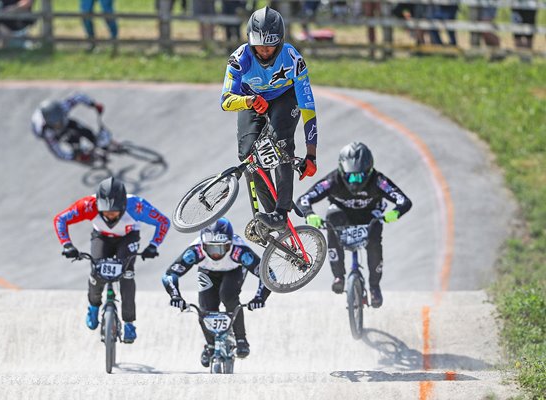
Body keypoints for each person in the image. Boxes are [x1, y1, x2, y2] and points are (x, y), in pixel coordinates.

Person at [220, 6, 319, 231]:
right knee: (249, 156)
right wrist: (249, 101)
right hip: (249, 99)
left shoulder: (293, 59)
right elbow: (225, 100)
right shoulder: (239, 58)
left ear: (281, 41)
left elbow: (308, 108)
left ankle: (281, 213)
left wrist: (311, 154)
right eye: (259, 46)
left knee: (280, 143)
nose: (265, 51)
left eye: (271, 46)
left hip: (285, 97)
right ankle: (269, 214)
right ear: (249, 41)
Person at [54, 177, 170, 343]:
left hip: (128, 238)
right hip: (101, 237)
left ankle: (129, 322)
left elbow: (163, 222)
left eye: (115, 211)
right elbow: (60, 219)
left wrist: (153, 246)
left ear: (123, 205)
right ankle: (94, 306)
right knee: (97, 272)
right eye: (105, 211)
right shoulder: (88, 205)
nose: (109, 215)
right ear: (98, 205)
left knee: (127, 276)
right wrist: (67, 245)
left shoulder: (136, 206)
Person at [296, 142, 412, 308]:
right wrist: (310, 215)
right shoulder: (332, 180)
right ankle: (339, 277)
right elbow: (303, 199)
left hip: (369, 218)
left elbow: (404, 201)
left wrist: (395, 213)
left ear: (370, 170)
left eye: (360, 176)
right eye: (351, 176)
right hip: (342, 218)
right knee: (331, 220)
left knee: (375, 237)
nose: (355, 181)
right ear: (342, 171)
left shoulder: (378, 181)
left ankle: (374, 286)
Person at [162, 218, 270, 367]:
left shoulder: (240, 250)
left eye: (221, 248)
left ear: (230, 244)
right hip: (207, 271)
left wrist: (260, 297)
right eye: (211, 248)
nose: (216, 254)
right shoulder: (195, 250)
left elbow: (267, 275)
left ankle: (240, 339)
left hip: (234, 271)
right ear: (203, 245)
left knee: (228, 296)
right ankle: (210, 345)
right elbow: (169, 274)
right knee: (205, 307)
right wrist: (175, 295)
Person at [31, 93, 109, 163]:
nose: (59, 125)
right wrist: (75, 157)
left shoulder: (63, 107)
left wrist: (93, 104)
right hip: (53, 132)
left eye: (60, 121)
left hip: (65, 122)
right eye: (56, 124)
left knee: (85, 130)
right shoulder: (47, 133)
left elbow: (79, 97)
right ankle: (79, 149)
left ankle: (95, 140)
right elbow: (59, 153)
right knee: (72, 142)